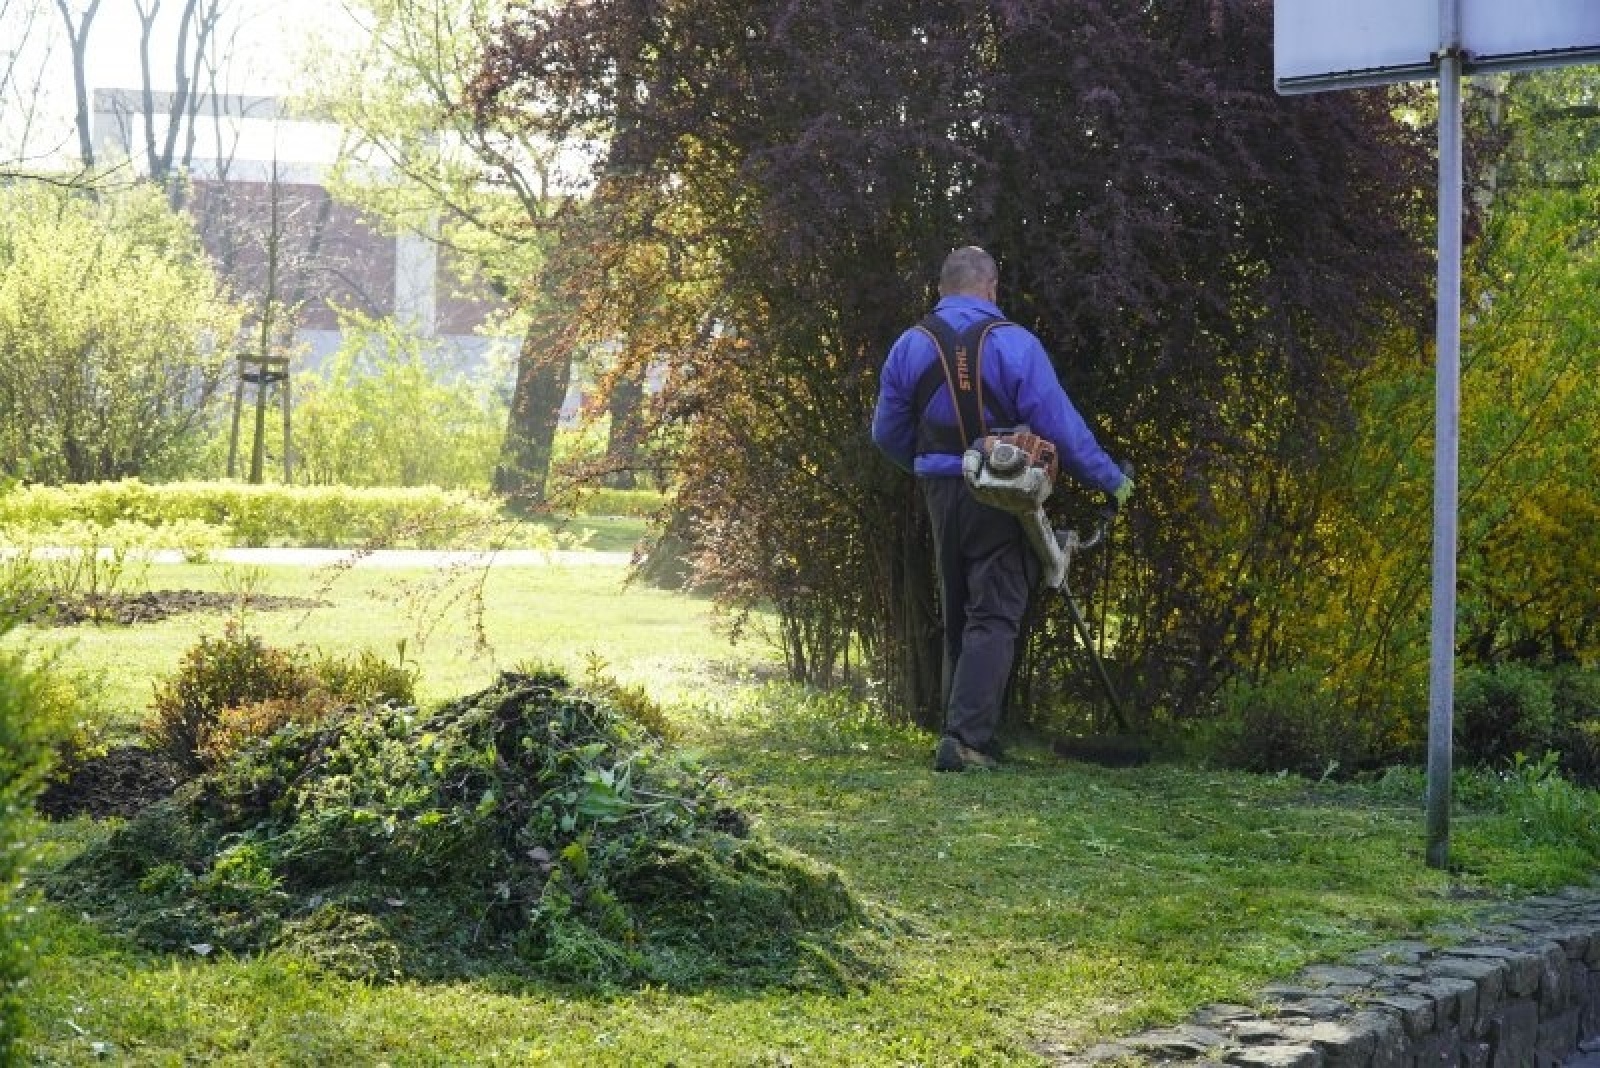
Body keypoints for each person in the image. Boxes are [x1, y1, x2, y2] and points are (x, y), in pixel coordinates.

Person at [871, 246, 1132, 772]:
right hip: (1003, 492)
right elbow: (1061, 427)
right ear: (991, 288)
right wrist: (1113, 481)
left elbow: (886, 434)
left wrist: (931, 467)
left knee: (958, 608)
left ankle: (963, 729)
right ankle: (966, 741)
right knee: (993, 612)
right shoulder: (1015, 344)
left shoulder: (909, 345)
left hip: (940, 492)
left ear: (942, 289)